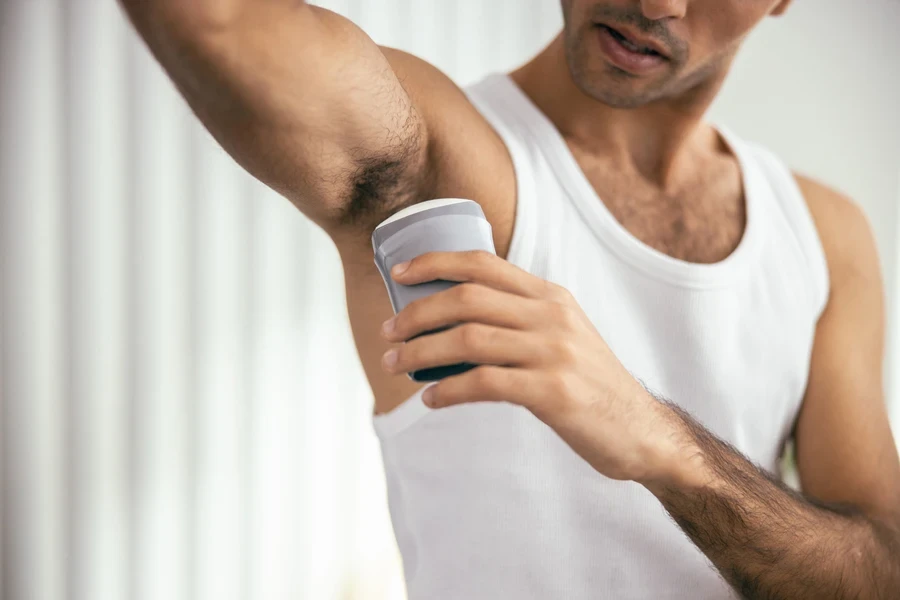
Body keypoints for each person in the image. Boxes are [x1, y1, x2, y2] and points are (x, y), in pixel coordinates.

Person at [118, 1, 900, 598]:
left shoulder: (822, 236)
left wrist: (661, 442)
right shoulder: (449, 160)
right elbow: (218, 23)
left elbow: (882, 569)